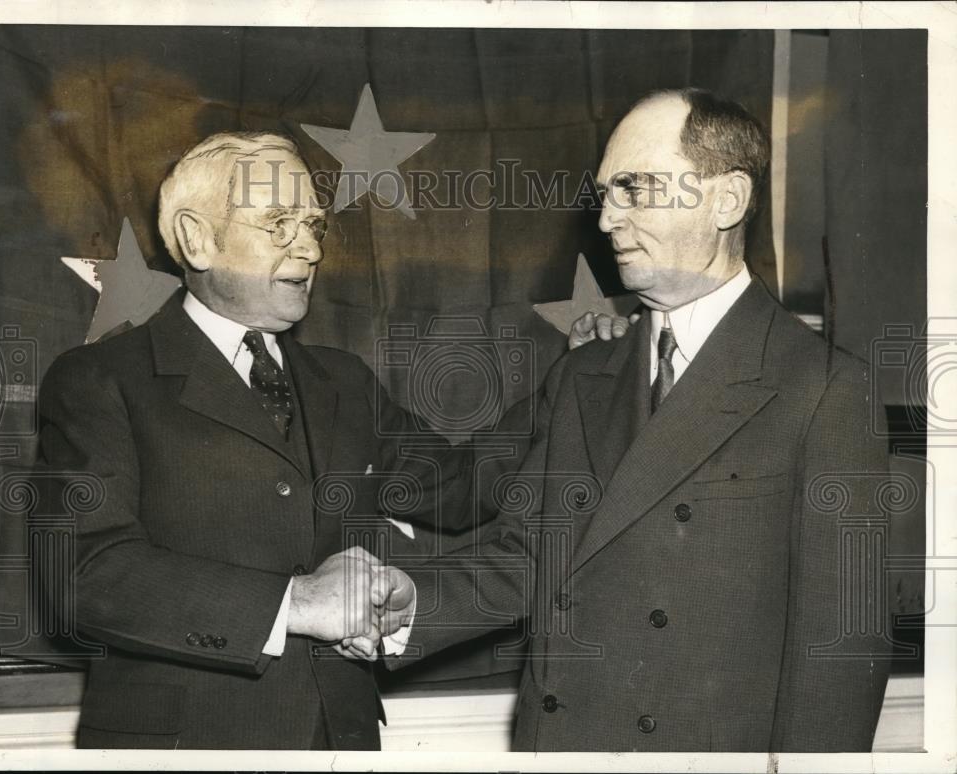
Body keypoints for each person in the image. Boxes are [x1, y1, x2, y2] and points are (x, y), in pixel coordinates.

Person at [378, 88, 893, 752]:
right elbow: (530, 556)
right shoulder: (581, 375)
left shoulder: (823, 387)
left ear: (727, 199)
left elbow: (841, 652)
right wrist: (406, 600)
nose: (607, 219)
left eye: (634, 189)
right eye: (605, 195)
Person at [35, 132, 476, 750]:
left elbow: (472, 490)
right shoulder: (99, 379)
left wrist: (592, 375)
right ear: (197, 239)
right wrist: (297, 604)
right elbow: (83, 575)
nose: (309, 247)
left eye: (313, 224)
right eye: (278, 222)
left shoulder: (345, 381)